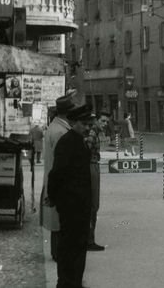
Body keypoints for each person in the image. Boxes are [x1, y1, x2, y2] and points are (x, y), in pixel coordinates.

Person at [48, 104, 93, 288]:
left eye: (88, 124)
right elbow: (56, 174)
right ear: (73, 122)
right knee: (70, 248)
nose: (87, 127)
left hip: (79, 206)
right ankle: (67, 283)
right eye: (83, 123)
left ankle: (74, 282)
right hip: (71, 206)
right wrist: (57, 200)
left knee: (78, 248)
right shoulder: (67, 142)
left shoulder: (78, 140)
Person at [42, 92, 78, 262]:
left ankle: (57, 252)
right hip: (60, 184)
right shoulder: (60, 132)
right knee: (59, 222)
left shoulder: (55, 127)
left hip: (55, 181)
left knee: (57, 222)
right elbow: (62, 162)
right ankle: (58, 253)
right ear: (66, 112)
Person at [84, 110, 109, 252]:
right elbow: (86, 150)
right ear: (96, 121)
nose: (105, 124)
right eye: (103, 121)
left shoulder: (94, 132)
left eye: (106, 122)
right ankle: (89, 240)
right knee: (93, 204)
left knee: (93, 205)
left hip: (93, 165)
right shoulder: (93, 133)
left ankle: (89, 238)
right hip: (91, 166)